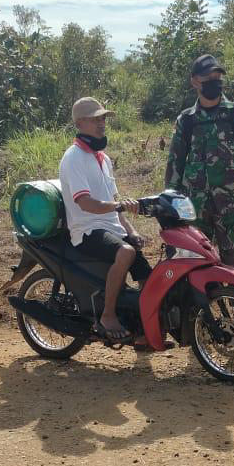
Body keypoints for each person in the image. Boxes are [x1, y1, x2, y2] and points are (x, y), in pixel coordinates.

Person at [59, 96, 151, 342]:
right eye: (96, 119)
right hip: (87, 229)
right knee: (126, 253)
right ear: (80, 123)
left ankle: (142, 329)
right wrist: (119, 206)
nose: (102, 124)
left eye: (103, 119)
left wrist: (131, 230)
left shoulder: (104, 159)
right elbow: (86, 203)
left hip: (109, 227)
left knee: (147, 276)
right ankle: (107, 316)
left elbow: (114, 202)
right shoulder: (73, 158)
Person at [164, 54, 234, 269]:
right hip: (193, 206)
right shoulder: (186, 120)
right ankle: (200, 302)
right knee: (193, 260)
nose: (214, 81)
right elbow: (175, 164)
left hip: (229, 205)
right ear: (195, 81)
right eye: (208, 77)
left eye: (217, 76)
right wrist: (170, 205)